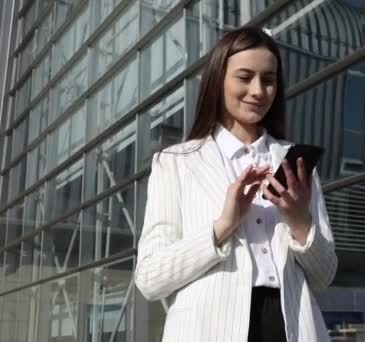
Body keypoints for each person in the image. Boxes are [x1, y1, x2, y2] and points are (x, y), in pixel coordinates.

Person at [134, 26, 337, 342]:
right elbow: (149, 277)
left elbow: (324, 276)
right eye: (245, 77)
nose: (258, 90)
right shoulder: (175, 162)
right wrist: (222, 226)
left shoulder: (294, 164)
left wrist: (299, 220)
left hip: (294, 327)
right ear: (218, 80)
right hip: (208, 328)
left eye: (268, 80)